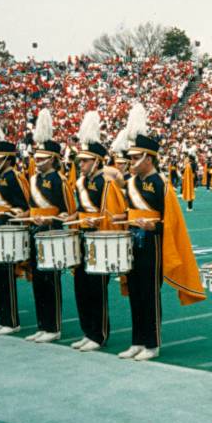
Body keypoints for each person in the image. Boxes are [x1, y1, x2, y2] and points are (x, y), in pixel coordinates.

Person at [117, 110, 206, 361]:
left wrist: (151, 228)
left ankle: (152, 343)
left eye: (135, 157)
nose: (131, 161)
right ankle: (137, 340)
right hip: (132, 241)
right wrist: (123, 218)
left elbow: (172, 223)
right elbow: (132, 210)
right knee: (134, 292)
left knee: (149, 293)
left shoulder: (160, 184)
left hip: (153, 244)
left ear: (148, 158)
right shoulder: (132, 183)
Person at [68, 110, 127, 352]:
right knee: (81, 288)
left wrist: (93, 222)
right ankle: (87, 331)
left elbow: (111, 215)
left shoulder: (106, 182)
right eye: (80, 161)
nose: (80, 164)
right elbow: (82, 209)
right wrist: (71, 217)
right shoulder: (81, 182)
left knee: (96, 289)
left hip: (98, 241)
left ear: (97, 162)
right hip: (82, 238)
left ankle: (99, 334)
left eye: (85, 161)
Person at [25, 109, 75, 343]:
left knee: (50, 281)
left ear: (53, 159)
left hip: (51, 234)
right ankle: (42, 325)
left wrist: (50, 220)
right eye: (37, 155)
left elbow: (68, 212)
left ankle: (53, 327)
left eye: (42, 157)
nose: (37, 160)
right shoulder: (33, 178)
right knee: (38, 280)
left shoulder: (59, 180)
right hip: (34, 232)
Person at [0, 110, 31, 336]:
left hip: (8, 231)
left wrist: (4, 213)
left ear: (8, 159)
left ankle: (11, 320)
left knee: (6, 276)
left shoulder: (13, 176)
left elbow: (23, 206)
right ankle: (3, 318)